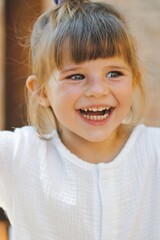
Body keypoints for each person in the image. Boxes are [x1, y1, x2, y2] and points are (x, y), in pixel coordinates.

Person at [0, 0, 159, 239]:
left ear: (134, 80)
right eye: (76, 76)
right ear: (41, 91)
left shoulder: (154, 152)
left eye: (113, 73)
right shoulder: (17, 155)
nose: (98, 90)